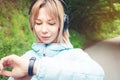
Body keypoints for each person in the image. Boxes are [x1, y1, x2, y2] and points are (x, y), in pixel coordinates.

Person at [0, 0, 105, 80]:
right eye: (38, 23)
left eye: (51, 23)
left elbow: (97, 74)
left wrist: (35, 67)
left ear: (62, 25)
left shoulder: (75, 55)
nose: (44, 30)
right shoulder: (25, 58)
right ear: (32, 25)